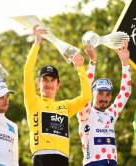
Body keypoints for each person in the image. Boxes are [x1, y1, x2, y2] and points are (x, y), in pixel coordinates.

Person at [24, 26, 91, 166]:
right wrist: (36, 43)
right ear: (38, 84)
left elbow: (86, 97)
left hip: (62, 159)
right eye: (45, 80)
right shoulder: (33, 101)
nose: (49, 84)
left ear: (58, 84)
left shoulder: (65, 106)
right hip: (41, 157)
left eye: (52, 80)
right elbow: (27, 71)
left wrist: (80, 68)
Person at [77, 41, 132, 166]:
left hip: (112, 162)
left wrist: (125, 63)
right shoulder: (85, 113)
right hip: (93, 163)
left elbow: (125, 92)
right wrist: (93, 62)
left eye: (107, 94)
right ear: (93, 94)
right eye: (100, 93)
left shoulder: (111, 114)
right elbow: (85, 94)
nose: (104, 98)